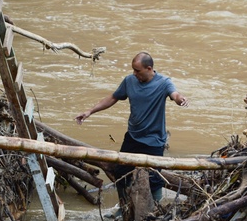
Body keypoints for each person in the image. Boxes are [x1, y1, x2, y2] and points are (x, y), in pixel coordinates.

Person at [75, 52, 189, 204]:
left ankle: (154, 211)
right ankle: (124, 207)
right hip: (133, 137)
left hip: (154, 141)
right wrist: (90, 111)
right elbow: (113, 97)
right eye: (133, 70)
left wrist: (180, 100)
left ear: (149, 69)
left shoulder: (163, 83)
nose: (134, 74)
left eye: (137, 71)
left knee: (154, 181)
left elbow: (174, 94)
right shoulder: (129, 81)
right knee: (121, 175)